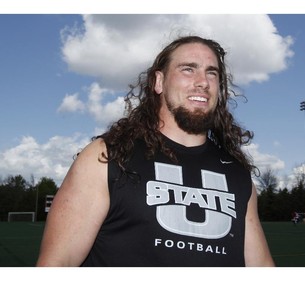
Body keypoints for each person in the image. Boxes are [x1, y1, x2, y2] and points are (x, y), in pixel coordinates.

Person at [36, 35, 275, 267]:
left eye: (212, 73)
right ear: (158, 82)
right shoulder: (108, 157)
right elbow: (57, 263)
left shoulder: (237, 174)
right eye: (188, 69)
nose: (203, 81)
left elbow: (261, 266)